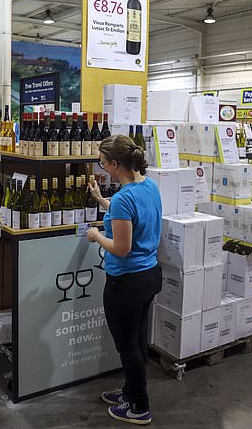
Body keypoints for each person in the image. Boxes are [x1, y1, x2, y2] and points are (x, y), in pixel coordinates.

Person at [86, 134, 162, 426]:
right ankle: (130, 392)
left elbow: (120, 247)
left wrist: (96, 236)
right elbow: (130, 214)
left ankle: (139, 407)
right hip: (149, 276)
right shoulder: (149, 186)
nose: (101, 167)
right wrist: (101, 200)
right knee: (138, 340)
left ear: (115, 164)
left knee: (127, 346)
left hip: (126, 282)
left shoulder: (123, 199)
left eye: (103, 162)